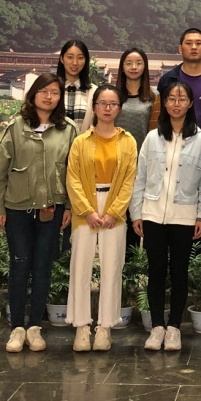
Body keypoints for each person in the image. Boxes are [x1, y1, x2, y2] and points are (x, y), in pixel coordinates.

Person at [0, 72, 75, 353]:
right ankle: (17, 328)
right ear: (33, 94)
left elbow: (74, 173)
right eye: (43, 91)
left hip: (52, 208)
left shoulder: (68, 129)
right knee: (19, 265)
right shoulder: (16, 127)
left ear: (60, 97)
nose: (49, 97)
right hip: (17, 209)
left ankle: (35, 327)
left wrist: (69, 206)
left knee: (42, 267)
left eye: (55, 92)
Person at [130, 81, 201, 353]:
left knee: (179, 273)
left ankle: (174, 327)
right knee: (155, 272)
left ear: (190, 104)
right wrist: (136, 212)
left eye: (182, 99)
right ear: (164, 103)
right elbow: (140, 177)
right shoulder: (152, 137)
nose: (176, 104)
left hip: (184, 216)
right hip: (153, 214)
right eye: (172, 99)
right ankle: (156, 327)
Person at [65, 83, 138, 352]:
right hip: (85, 208)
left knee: (111, 268)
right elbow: (72, 179)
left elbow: (129, 180)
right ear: (94, 107)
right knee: (80, 267)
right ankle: (82, 326)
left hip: (114, 209)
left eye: (113, 104)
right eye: (102, 104)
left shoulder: (128, 141)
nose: (107, 109)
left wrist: (114, 212)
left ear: (119, 108)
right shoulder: (81, 141)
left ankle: (105, 327)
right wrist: (87, 211)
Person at [116, 47, 160, 149]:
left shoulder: (154, 96)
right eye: (128, 63)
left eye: (139, 63)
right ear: (122, 67)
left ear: (145, 67)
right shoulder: (112, 95)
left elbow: (154, 132)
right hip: (114, 153)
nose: (134, 67)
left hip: (142, 153)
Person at [57, 39, 96, 131]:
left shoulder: (94, 92)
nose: (75, 63)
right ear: (62, 59)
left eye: (80, 58)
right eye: (70, 57)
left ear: (86, 60)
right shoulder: (52, 88)